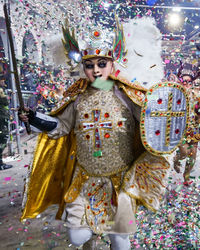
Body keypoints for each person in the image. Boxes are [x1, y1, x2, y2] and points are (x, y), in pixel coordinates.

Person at [19, 17, 170, 250]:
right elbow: (61, 126)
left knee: (120, 241)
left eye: (102, 64)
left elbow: (153, 125)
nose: (96, 70)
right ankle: (93, 232)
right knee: (77, 238)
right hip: (85, 179)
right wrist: (35, 118)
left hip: (120, 181)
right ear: (84, 68)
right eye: (90, 65)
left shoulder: (128, 95)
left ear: (112, 65)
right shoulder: (77, 97)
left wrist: (169, 119)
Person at [173, 63, 199, 183]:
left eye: (189, 82)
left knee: (192, 156)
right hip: (181, 130)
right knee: (184, 153)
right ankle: (176, 160)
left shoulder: (197, 95)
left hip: (194, 130)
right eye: (184, 81)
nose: (186, 84)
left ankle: (186, 177)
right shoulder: (176, 94)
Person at [0, 77, 13, 170]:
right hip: (1, 119)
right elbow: (6, 102)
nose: (4, 82)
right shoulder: (0, 91)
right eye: (2, 80)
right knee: (3, 139)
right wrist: (6, 95)